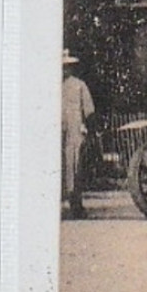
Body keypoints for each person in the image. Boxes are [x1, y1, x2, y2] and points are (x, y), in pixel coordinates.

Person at [61, 51, 94, 220]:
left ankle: (76, 204)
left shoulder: (79, 85)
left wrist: (88, 128)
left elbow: (88, 110)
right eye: (63, 67)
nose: (65, 70)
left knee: (74, 167)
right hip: (61, 131)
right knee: (67, 167)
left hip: (73, 131)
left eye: (67, 67)